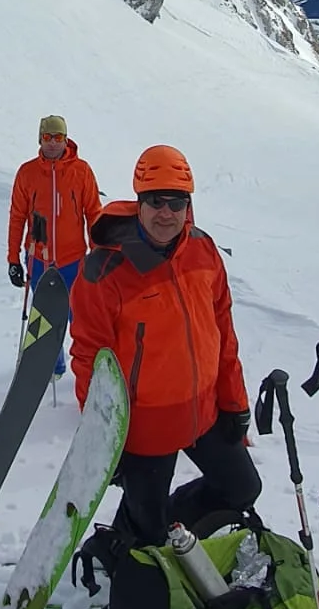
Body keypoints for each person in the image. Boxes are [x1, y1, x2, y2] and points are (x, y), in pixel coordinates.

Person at [70, 144, 259, 548]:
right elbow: (89, 360)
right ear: (138, 200)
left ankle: (158, 525)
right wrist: (106, 442)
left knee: (242, 488)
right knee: (147, 539)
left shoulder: (203, 250)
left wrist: (235, 403)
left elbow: (222, 332)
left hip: (204, 412)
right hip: (144, 431)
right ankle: (140, 537)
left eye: (178, 202)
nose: (166, 213)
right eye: (156, 200)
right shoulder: (104, 270)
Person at [7, 114, 102, 375]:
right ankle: (50, 367)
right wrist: (13, 259)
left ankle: (88, 367)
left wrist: (98, 252)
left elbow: (93, 212)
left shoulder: (81, 171)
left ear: (66, 139)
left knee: (80, 319)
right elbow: (17, 217)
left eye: (57, 137)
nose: (52, 143)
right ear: (39, 139)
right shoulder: (27, 173)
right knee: (43, 318)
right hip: (39, 259)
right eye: (47, 137)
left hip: (74, 261)